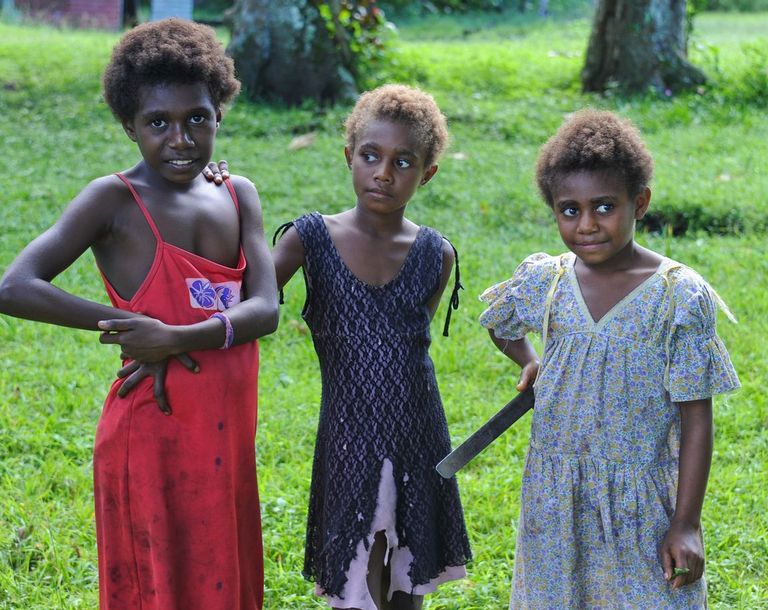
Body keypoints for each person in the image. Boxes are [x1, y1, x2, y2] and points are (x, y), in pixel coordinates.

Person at [0, 19, 277, 610]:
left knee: (224, 576)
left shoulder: (237, 193)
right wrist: (128, 329)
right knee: (156, 585)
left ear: (219, 113)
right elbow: (15, 287)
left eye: (197, 118)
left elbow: (266, 309)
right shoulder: (114, 200)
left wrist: (172, 336)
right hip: (152, 431)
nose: (181, 138)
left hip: (226, 430)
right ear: (129, 127)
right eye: (158, 123)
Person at [478, 109, 740, 608]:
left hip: (642, 504)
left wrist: (686, 523)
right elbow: (501, 323)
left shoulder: (678, 296)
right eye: (569, 210)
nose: (587, 224)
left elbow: (696, 418)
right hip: (556, 500)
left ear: (639, 202)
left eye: (604, 206)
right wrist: (530, 361)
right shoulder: (547, 280)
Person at [269, 84, 472, 610]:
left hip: (417, 434)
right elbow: (247, 305)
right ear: (349, 157)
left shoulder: (436, 254)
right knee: (354, 580)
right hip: (347, 436)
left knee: (408, 577)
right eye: (371, 156)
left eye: (403, 161)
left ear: (426, 173)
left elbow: (412, 344)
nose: (384, 172)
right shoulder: (307, 240)